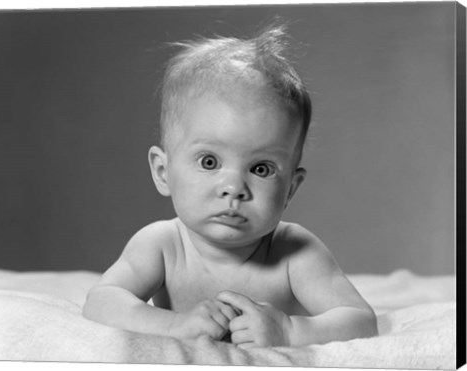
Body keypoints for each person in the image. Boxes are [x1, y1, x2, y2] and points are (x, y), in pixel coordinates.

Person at [82, 24, 378, 348]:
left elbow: (360, 320)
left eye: (261, 168)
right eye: (209, 162)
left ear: (290, 189)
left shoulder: (296, 252)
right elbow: (101, 302)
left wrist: (290, 331)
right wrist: (174, 325)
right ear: (163, 172)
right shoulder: (162, 245)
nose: (234, 188)